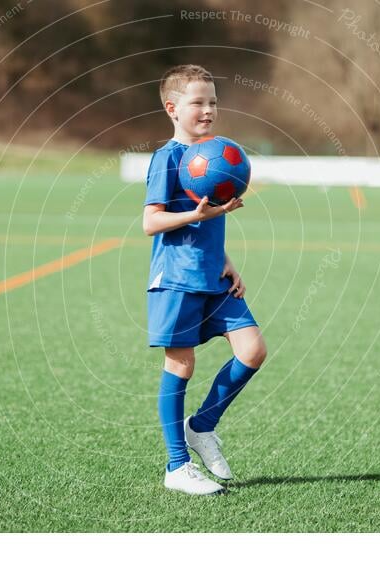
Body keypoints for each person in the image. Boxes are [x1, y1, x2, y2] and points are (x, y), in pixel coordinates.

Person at [142, 64, 267, 495]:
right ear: (172, 108)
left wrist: (227, 259)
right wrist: (195, 215)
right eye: (198, 102)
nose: (208, 110)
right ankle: (176, 465)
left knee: (253, 350)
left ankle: (203, 425)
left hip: (214, 277)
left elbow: (207, 227)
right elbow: (150, 222)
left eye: (213, 101)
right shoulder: (168, 158)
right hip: (176, 278)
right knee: (181, 363)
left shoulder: (216, 154)